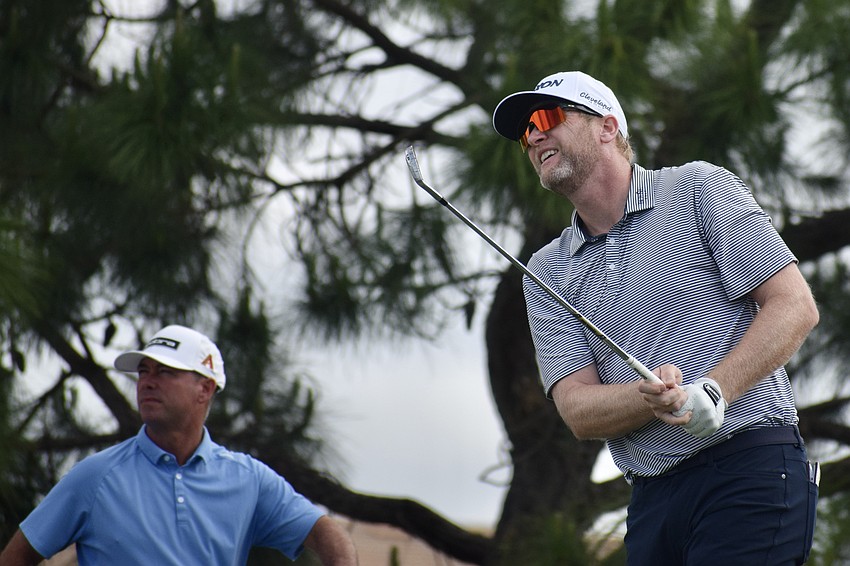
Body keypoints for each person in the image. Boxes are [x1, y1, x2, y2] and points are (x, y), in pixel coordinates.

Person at [492, 71, 820, 564]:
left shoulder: (697, 189)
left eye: (547, 117)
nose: (534, 135)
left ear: (606, 127)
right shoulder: (547, 268)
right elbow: (578, 410)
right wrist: (648, 397)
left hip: (748, 468)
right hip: (652, 499)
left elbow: (795, 307)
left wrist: (714, 389)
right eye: (525, 132)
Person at [0, 324, 358, 566]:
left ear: (204, 388)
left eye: (165, 373)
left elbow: (322, 530)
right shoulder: (96, 477)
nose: (148, 383)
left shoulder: (248, 479)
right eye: (144, 372)